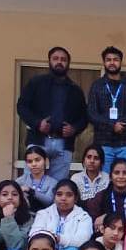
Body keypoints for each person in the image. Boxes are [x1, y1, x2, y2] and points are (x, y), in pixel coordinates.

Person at [16, 46, 88, 180]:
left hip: (64, 143)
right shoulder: (36, 83)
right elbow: (22, 107)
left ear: (68, 63)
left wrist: (74, 129)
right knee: (31, 182)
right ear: (49, 61)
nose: (59, 62)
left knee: (59, 185)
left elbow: (84, 117)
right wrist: (37, 123)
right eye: (55, 59)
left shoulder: (75, 90)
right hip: (38, 139)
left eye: (63, 60)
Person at [87, 46, 126, 176]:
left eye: (115, 59)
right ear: (104, 62)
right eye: (108, 60)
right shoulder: (97, 85)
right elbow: (91, 113)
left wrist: (122, 124)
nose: (112, 63)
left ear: (121, 62)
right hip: (103, 141)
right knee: (104, 179)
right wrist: (112, 125)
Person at [30, 179, 93, 250]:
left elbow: (82, 239)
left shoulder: (83, 217)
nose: (63, 198)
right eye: (59, 194)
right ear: (54, 197)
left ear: (76, 198)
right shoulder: (44, 213)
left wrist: (59, 238)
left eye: (69, 195)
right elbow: (34, 234)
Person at [85, 158, 126, 230]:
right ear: (110, 177)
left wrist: (106, 217)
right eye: (117, 173)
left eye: (125, 173)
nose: (121, 176)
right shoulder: (101, 196)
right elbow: (92, 222)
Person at [16, 146, 57, 213]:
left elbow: (49, 202)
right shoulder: (20, 181)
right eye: (30, 161)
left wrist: (30, 191)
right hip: (24, 216)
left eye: (37, 160)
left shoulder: (53, 182)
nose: (34, 164)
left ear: (46, 161)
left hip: (46, 216)